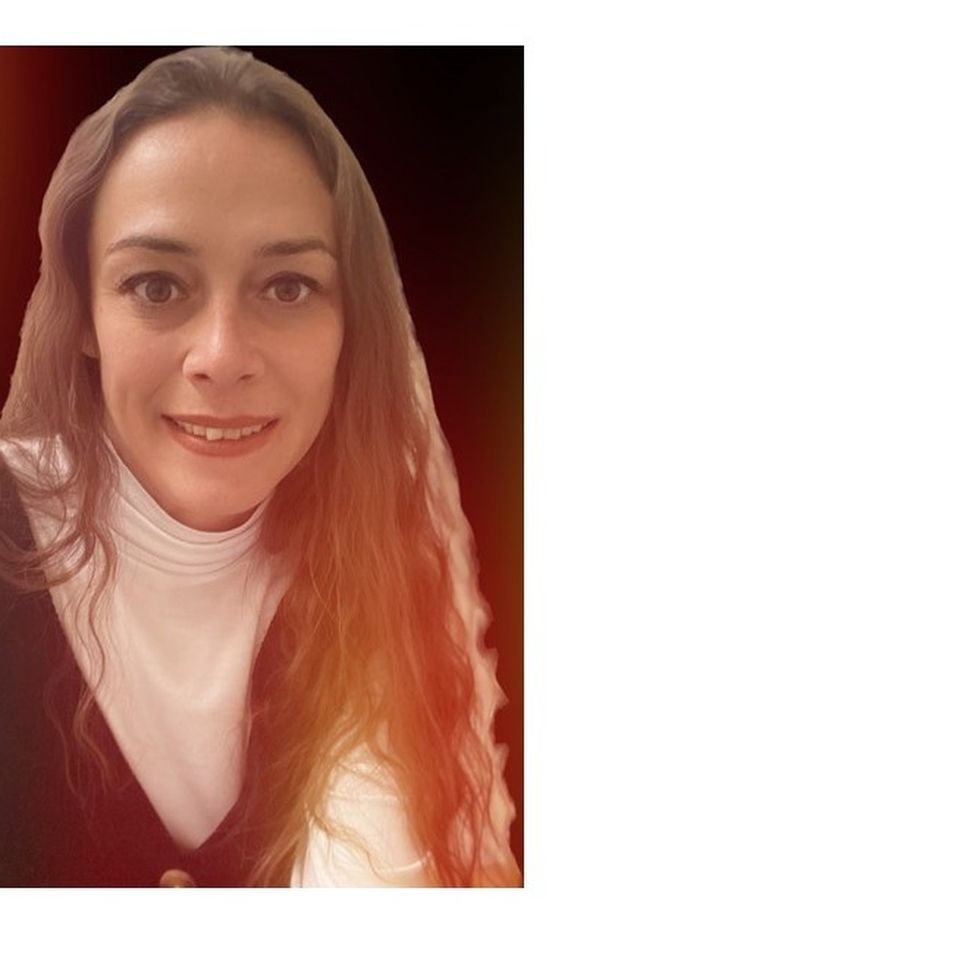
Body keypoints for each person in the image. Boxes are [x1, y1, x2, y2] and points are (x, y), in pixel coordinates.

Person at [0, 46, 519, 887]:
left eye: (286, 288)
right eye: (157, 287)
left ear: (352, 326)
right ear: (83, 314)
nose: (222, 356)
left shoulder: (369, 561)